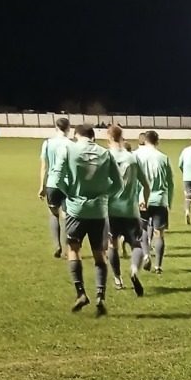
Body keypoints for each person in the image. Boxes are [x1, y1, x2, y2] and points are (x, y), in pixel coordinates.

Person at [49, 125, 122, 316]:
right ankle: (100, 295)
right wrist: (104, 197)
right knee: (100, 255)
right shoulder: (105, 153)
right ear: (93, 136)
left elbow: (55, 179)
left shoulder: (68, 149)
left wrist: (69, 193)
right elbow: (118, 184)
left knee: (73, 250)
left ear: (76, 135)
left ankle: (81, 293)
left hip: (76, 211)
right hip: (99, 212)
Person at [105, 126, 150, 296]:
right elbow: (146, 185)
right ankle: (133, 270)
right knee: (137, 244)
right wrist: (144, 201)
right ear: (122, 137)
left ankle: (117, 279)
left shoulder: (105, 157)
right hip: (130, 209)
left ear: (108, 137)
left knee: (112, 244)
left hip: (110, 209)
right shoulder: (132, 158)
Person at [134, 130, 175, 274]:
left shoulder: (137, 156)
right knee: (159, 233)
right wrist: (169, 201)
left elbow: (134, 181)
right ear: (158, 141)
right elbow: (170, 182)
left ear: (144, 140)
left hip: (143, 199)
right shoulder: (164, 158)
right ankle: (158, 266)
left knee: (143, 229)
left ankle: (146, 255)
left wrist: (136, 198)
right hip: (160, 199)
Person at [38, 118, 74, 259]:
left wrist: (42, 186)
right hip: (67, 184)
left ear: (56, 127)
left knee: (53, 214)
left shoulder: (47, 143)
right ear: (68, 128)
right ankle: (68, 248)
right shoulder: (71, 144)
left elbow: (44, 167)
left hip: (52, 183)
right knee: (67, 216)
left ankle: (57, 245)